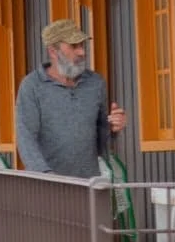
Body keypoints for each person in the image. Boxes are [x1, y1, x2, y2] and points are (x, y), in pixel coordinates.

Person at [15, 19, 128, 178]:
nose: (82, 52)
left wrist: (114, 128)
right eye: (74, 46)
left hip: (89, 183)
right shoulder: (32, 86)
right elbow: (25, 138)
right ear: (53, 51)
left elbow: (102, 141)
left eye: (82, 45)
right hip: (48, 184)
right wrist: (45, 175)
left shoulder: (95, 83)